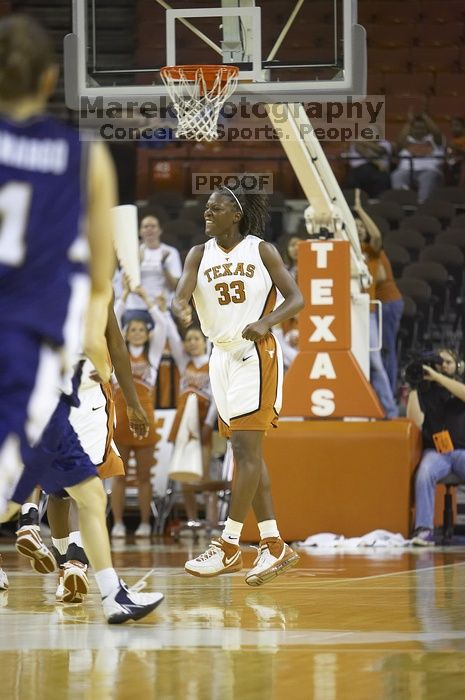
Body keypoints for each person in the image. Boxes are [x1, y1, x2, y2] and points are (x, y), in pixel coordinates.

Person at [0, 15, 114, 519]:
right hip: (28, 341)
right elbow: (99, 282)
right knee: (8, 498)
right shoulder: (84, 154)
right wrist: (94, 350)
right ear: (50, 79)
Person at [172, 184, 304, 586]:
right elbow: (182, 292)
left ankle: (229, 545)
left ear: (236, 215)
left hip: (255, 353)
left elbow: (296, 298)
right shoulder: (199, 253)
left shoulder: (261, 250)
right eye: (206, 208)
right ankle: (274, 544)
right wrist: (179, 306)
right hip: (219, 355)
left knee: (246, 450)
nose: (207, 213)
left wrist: (266, 322)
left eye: (216, 208)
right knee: (246, 451)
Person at [15, 302, 150, 604]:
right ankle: (77, 561)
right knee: (85, 484)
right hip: (87, 391)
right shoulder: (97, 281)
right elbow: (115, 342)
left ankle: (31, 523)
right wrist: (132, 401)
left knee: (55, 488)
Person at [111, 281, 167, 538]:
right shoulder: (116, 354)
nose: (136, 333)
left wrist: (145, 296)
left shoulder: (152, 356)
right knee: (119, 477)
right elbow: (109, 324)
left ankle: (145, 523)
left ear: (147, 334)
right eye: (131, 329)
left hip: (145, 421)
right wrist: (122, 297)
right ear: (125, 332)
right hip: (119, 421)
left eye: (140, 329)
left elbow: (164, 326)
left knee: (145, 477)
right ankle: (119, 524)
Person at [164, 314, 219, 530]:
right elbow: (168, 331)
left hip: (202, 422)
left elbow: (215, 397)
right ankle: (192, 518)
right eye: (188, 339)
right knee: (183, 472)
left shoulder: (213, 362)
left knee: (204, 474)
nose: (192, 342)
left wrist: (208, 424)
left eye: (196, 338)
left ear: (204, 341)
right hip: (183, 424)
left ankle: (212, 522)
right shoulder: (183, 362)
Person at [407, 349, 465, 546]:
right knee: (424, 474)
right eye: (440, 362)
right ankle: (424, 530)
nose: (444, 365)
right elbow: (414, 420)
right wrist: (413, 388)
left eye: (448, 362)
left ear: (458, 365)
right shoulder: (426, 391)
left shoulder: (458, 384)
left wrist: (439, 378)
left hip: (461, 452)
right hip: (436, 453)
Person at [353, 189, 399, 418]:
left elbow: (377, 236)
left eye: (361, 227)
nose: (360, 229)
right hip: (347, 312)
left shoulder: (370, 251)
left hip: (368, 310)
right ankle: (361, 408)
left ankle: (390, 411)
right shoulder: (344, 250)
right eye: (355, 226)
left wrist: (360, 211)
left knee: (375, 361)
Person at [114, 214, 182, 326]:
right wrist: (137, 262)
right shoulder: (133, 253)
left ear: (160, 230)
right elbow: (123, 285)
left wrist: (163, 266)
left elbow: (175, 286)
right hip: (135, 307)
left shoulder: (170, 252)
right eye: (145, 226)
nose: (149, 229)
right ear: (140, 232)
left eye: (153, 226)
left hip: (161, 306)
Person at [391, 112, 445, 203]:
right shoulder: (406, 141)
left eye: (422, 128)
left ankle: (422, 204)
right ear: (412, 129)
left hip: (428, 171)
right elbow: (399, 142)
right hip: (406, 171)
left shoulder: (434, 140)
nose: (419, 130)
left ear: (427, 129)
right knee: (396, 175)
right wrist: (409, 122)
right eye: (416, 128)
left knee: (428, 178)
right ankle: (403, 202)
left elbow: (437, 132)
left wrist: (426, 118)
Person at [376, 251, 404, 394]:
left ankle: (389, 392)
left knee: (387, 349)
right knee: (381, 350)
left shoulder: (371, 249)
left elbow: (380, 276)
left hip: (387, 302)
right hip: (377, 304)